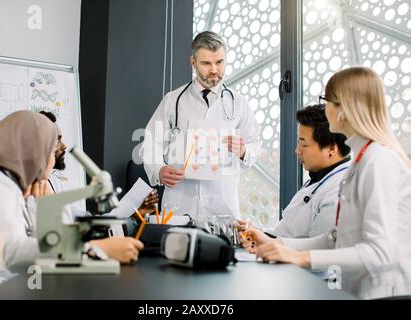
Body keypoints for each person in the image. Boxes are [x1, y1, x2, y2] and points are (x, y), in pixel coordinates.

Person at [240, 67, 411, 299]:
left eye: (326, 99)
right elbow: (335, 238)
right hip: (358, 290)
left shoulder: (378, 161)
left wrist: (301, 258)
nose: (325, 107)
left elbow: (380, 252)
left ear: (343, 109)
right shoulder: (361, 162)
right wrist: (277, 242)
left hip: (385, 293)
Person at [0, 111, 143, 299]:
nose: (52, 160)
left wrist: (47, 204)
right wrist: (96, 249)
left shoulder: (16, 188)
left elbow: (48, 241)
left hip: (8, 287)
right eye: (49, 152)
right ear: (32, 151)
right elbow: (12, 253)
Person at [142, 31, 260, 223]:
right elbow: (150, 142)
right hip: (180, 204)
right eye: (206, 63)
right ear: (193, 62)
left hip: (222, 206)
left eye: (220, 62)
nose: (214, 69)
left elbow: (254, 144)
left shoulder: (238, 103)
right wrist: (159, 169)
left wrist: (244, 150)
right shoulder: (173, 101)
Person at [240, 105, 351, 238]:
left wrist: (265, 240)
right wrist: (257, 232)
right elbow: (286, 233)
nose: (297, 150)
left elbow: (317, 249)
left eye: (304, 144)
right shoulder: (319, 178)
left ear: (331, 149)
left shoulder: (340, 191)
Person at [37, 111, 158, 224]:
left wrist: (137, 214)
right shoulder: (28, 191)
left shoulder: (54, 181)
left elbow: (85, 221)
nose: (64, 146)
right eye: (57, 141)